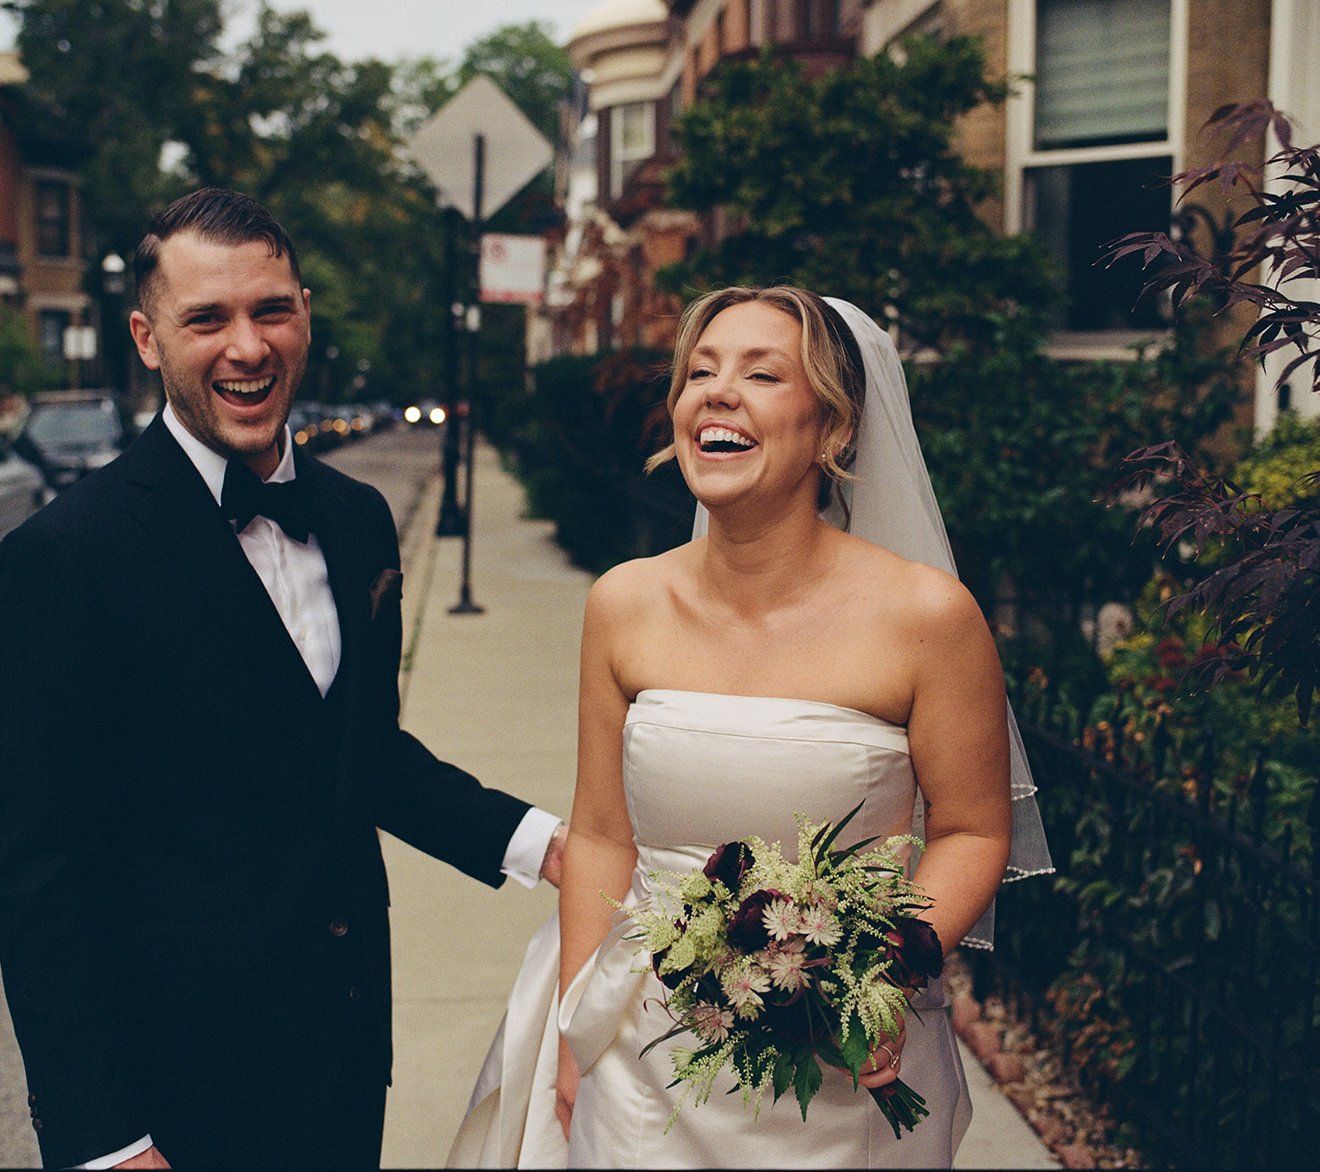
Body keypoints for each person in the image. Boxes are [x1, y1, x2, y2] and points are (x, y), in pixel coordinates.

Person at [0, 187, 563, 1170]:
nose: (247, 346)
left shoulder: (360, 517)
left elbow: (356, 753)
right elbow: (41, 880)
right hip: (171, 1096)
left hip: (341, 1054)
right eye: (207, 317)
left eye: (270, 309)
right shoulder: (62, 560)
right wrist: (103, 1137)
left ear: (303, 316)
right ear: (147, 337)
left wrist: (543, 842)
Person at [450, 287, 1050, 1168]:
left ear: (835, 431)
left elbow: (971, 828)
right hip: (641, 1058)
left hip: (843, 1070)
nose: (716, 392)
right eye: (699, 372)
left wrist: (876, 979)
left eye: (761, 373)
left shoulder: (927, 616)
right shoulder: (624, 604)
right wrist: (575, 1036)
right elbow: (605, 837)